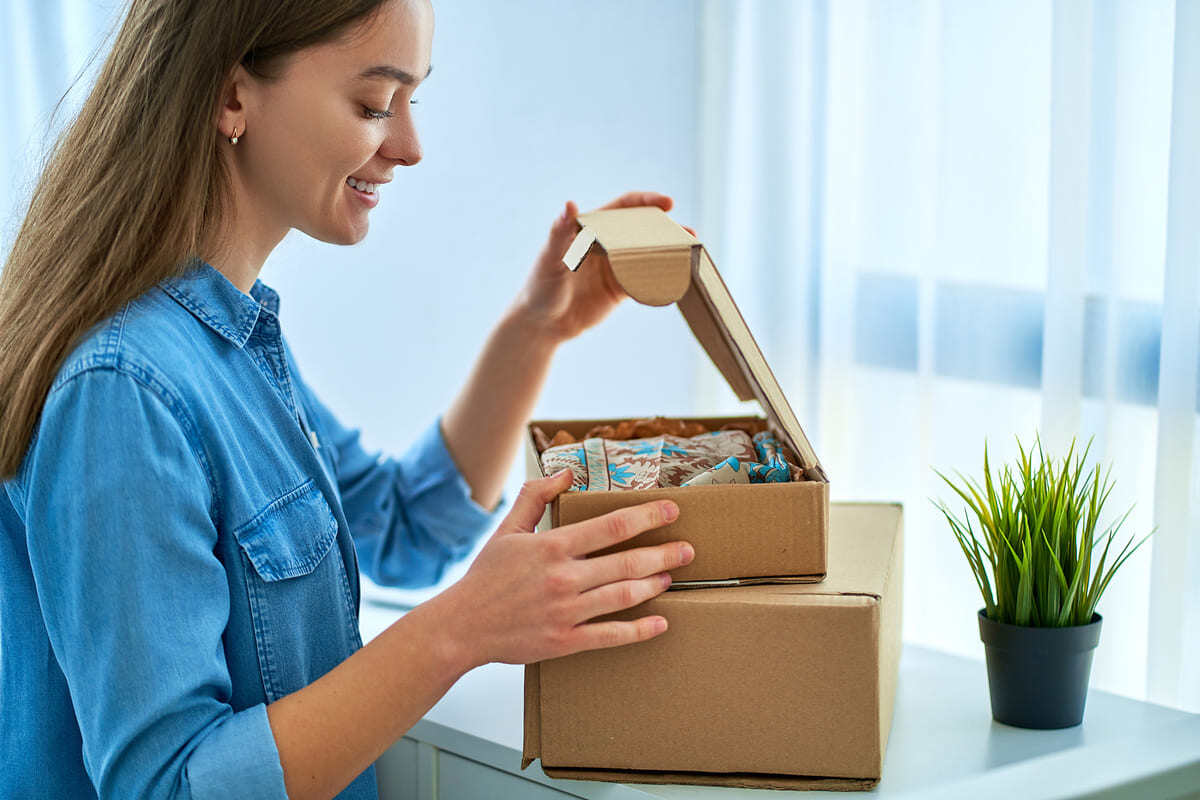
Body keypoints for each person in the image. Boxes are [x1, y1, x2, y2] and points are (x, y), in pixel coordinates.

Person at [0, 0, 698, 797]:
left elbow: (403, 528)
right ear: (232, 98)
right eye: (373, 104)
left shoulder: (232, 339)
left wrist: (535, 330)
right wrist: (459, 631)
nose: (409, 147)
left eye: (412, 101)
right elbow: (170, 787)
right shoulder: (124, 392)